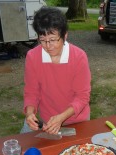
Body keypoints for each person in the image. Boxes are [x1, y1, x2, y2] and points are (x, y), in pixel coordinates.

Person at [21, 6, 91, 134]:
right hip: (46, 122)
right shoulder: (33, 57)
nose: (48, 46)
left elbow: (82, 97)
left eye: (53, 40)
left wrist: (61, 118)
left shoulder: (78, 57)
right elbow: (31, 92)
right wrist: (30, 113)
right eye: (42, 40)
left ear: (64, 35)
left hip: (77, 121)